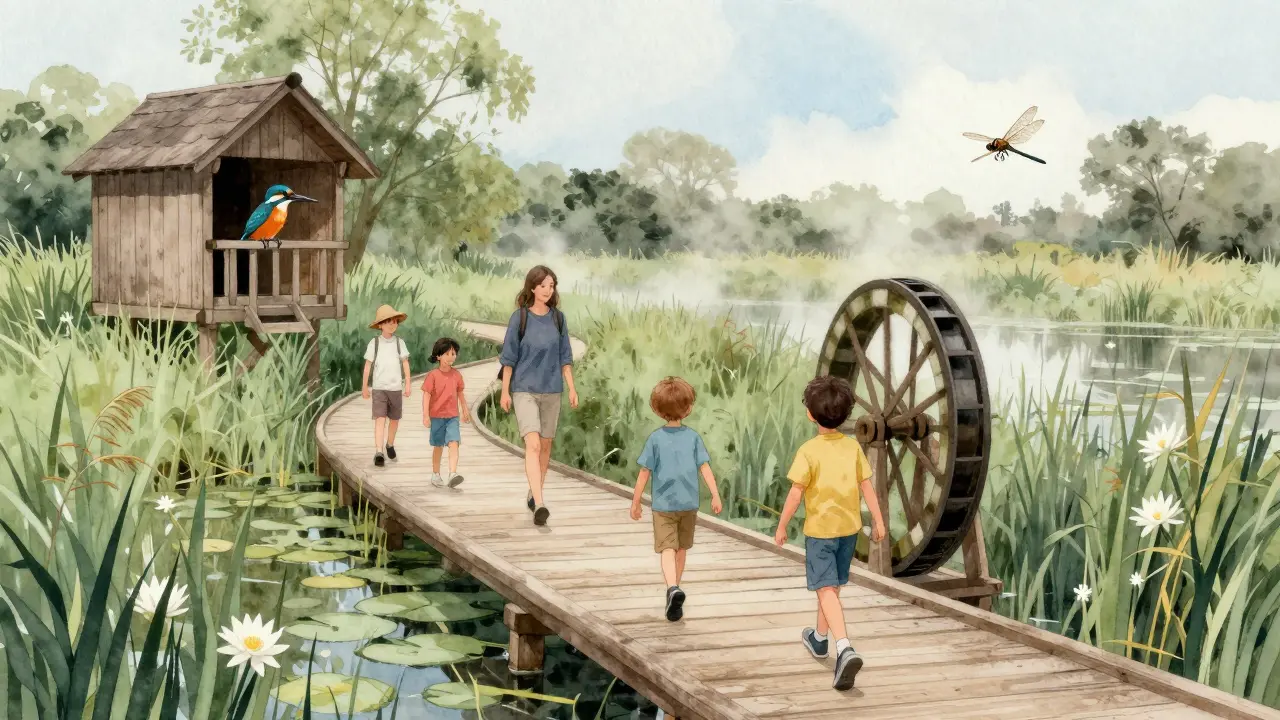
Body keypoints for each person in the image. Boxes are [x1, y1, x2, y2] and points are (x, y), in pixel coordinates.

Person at [772, 375, 887, 692]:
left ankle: (844, 647)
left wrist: (781, 526)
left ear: (810, 414)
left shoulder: (809, 451)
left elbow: (796, 494)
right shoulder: (852, 448)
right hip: (848, 532)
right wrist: (877, 521)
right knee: (831, 587)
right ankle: (820, 639)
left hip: (821, 533)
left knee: (825, 589)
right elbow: (868, 488)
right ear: (847, 414)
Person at [629, 377, 722, 622]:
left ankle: (672, 588)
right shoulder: (693, 438)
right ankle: (675, 589)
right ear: (688, 407)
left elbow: (644, 473)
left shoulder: (655, 439)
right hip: (688, 504)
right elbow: (705, 468)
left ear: (657, 409)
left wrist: (636, 500)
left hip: (663, 506)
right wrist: (715, 494)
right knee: (681, 550)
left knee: (667, 549)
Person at [498, 265, 578, 526]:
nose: (547, 290)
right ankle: (540, 503)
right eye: (543, 285)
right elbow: (508, 357)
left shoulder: (559, 319)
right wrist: (504, 391)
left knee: (545, 447)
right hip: (524, 389)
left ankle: (534, 492)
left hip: (552, 390)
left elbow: (565, 356)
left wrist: (572, 387)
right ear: (532, 287)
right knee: (532, 444)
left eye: (551, 285)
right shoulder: (519, 318)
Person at [361, 305, 411, 467]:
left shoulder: (399, 343)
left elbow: (405, 364)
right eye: (388, 321)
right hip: (379, 388)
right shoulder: (374, 343)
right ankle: (379, 451)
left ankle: (390, 444)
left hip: (395, 388)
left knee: (394, 420)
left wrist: (408, 384)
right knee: (380, 419)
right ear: (380, 325)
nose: (392, 324)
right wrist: (364, 386)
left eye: (395, 321)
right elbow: (368, 365)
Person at [422, 337, 469, 488]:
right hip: (436, 416)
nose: (451, 357)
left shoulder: (457, 375)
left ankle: (452, 473)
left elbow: (460, 393)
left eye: (454, 354)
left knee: (454, 442)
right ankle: (436, 474)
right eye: (448, 354)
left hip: (452, 417)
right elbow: (426, 395)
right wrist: (425, 415)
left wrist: (465, 410)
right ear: (438, 356)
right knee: (438, 446)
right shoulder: (433, 376)